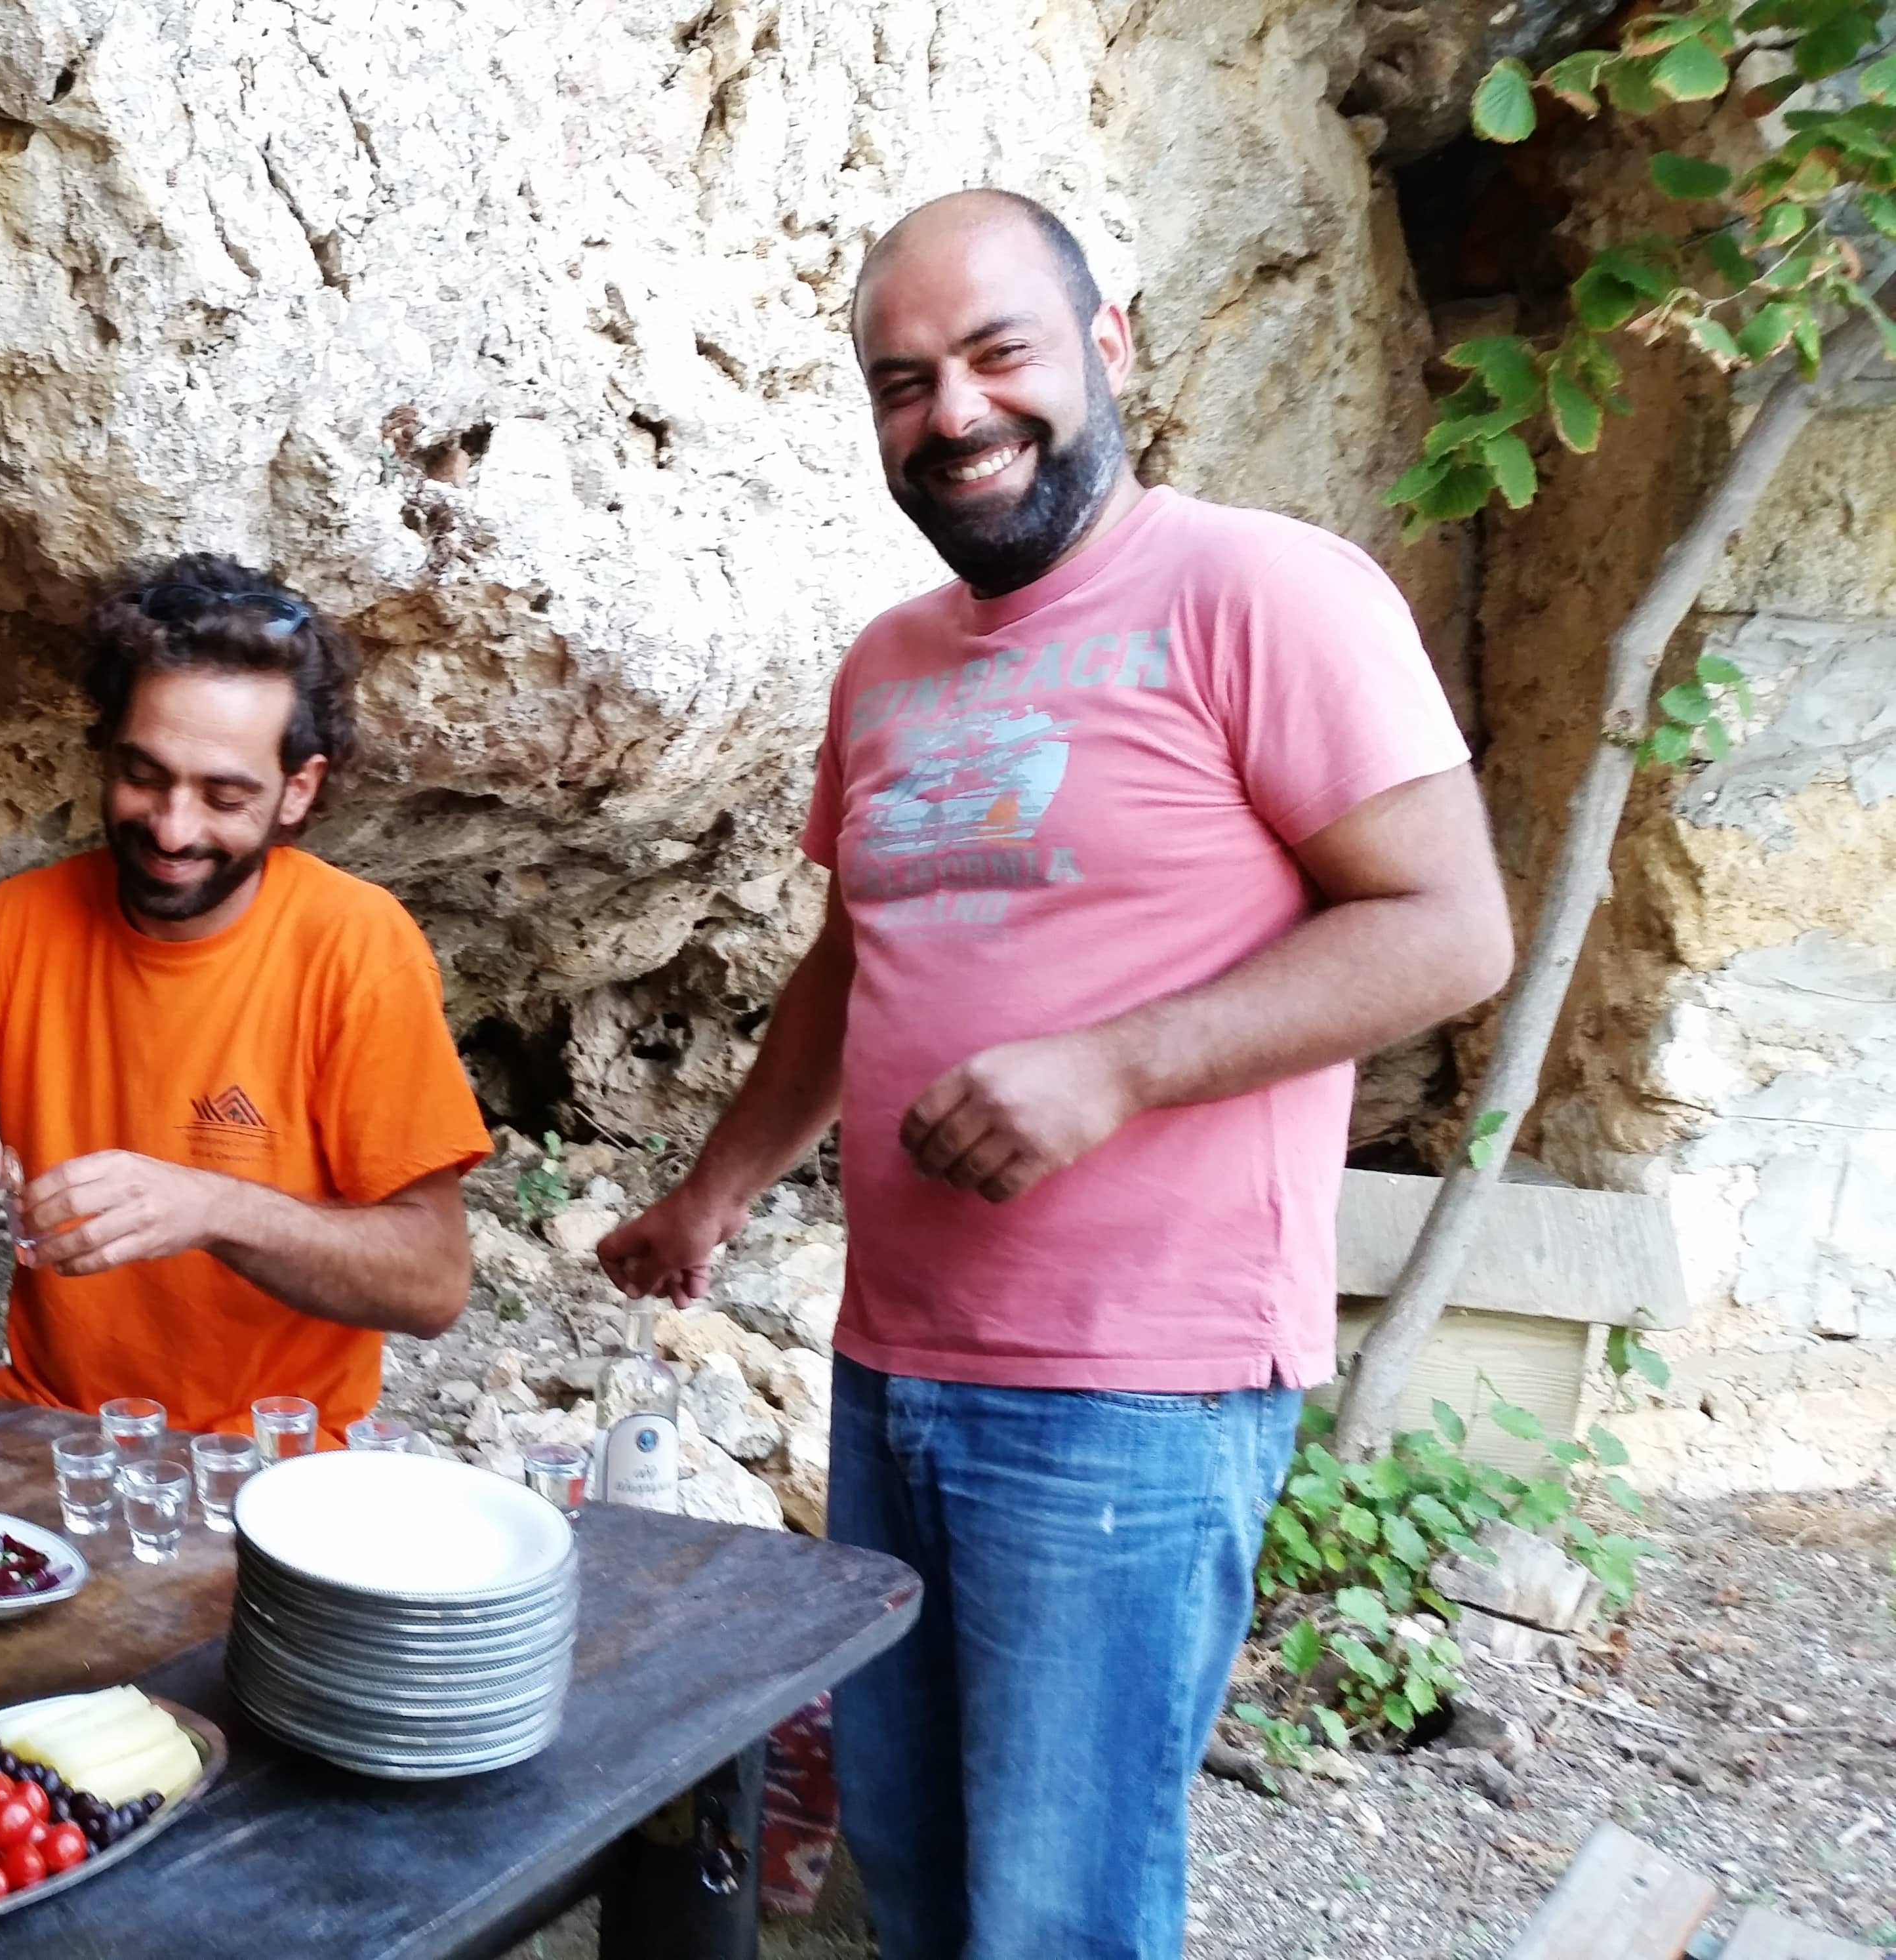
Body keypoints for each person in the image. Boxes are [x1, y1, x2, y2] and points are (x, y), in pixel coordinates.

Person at [599, 190, 1516, 1959]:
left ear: (1107, 347)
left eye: (998, 353)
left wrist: (1119, 1066)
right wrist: (711, 1193)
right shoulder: (888, 666)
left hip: (1133, 1397)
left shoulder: (1261, 591)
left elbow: (1452, 927)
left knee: (1056, 1919)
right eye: (901, 379)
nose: (952, 412)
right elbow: (856, 958)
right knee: (922, 1885)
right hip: (892, 1368)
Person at [0, 555, 491, 1445]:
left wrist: (217, 1209)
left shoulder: (355, 947)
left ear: (299, 790)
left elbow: (434, 1283)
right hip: (49, 1432)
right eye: (144, 776)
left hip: (272, 1461)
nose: (174, 830)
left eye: (224, 795)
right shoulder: (19, 926)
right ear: (105, 751)